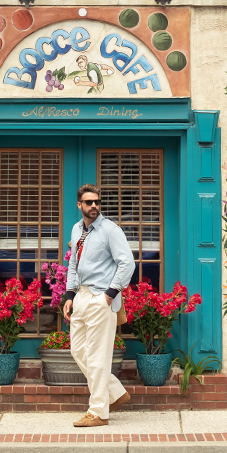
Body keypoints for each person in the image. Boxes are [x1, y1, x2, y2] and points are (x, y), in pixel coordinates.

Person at [63, 183, 135, 427]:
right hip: (81, 297)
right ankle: (114, 393)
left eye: (97, 202)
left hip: (101, 298)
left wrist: (110, 294)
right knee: (78, 351)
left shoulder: (110, 230)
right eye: (89, 202)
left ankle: (98, 413)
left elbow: (127, 263)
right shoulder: (76, 229)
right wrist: (69, 295)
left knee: (97, 356)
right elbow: (73, 264)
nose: (94, 205)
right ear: (79, 204)